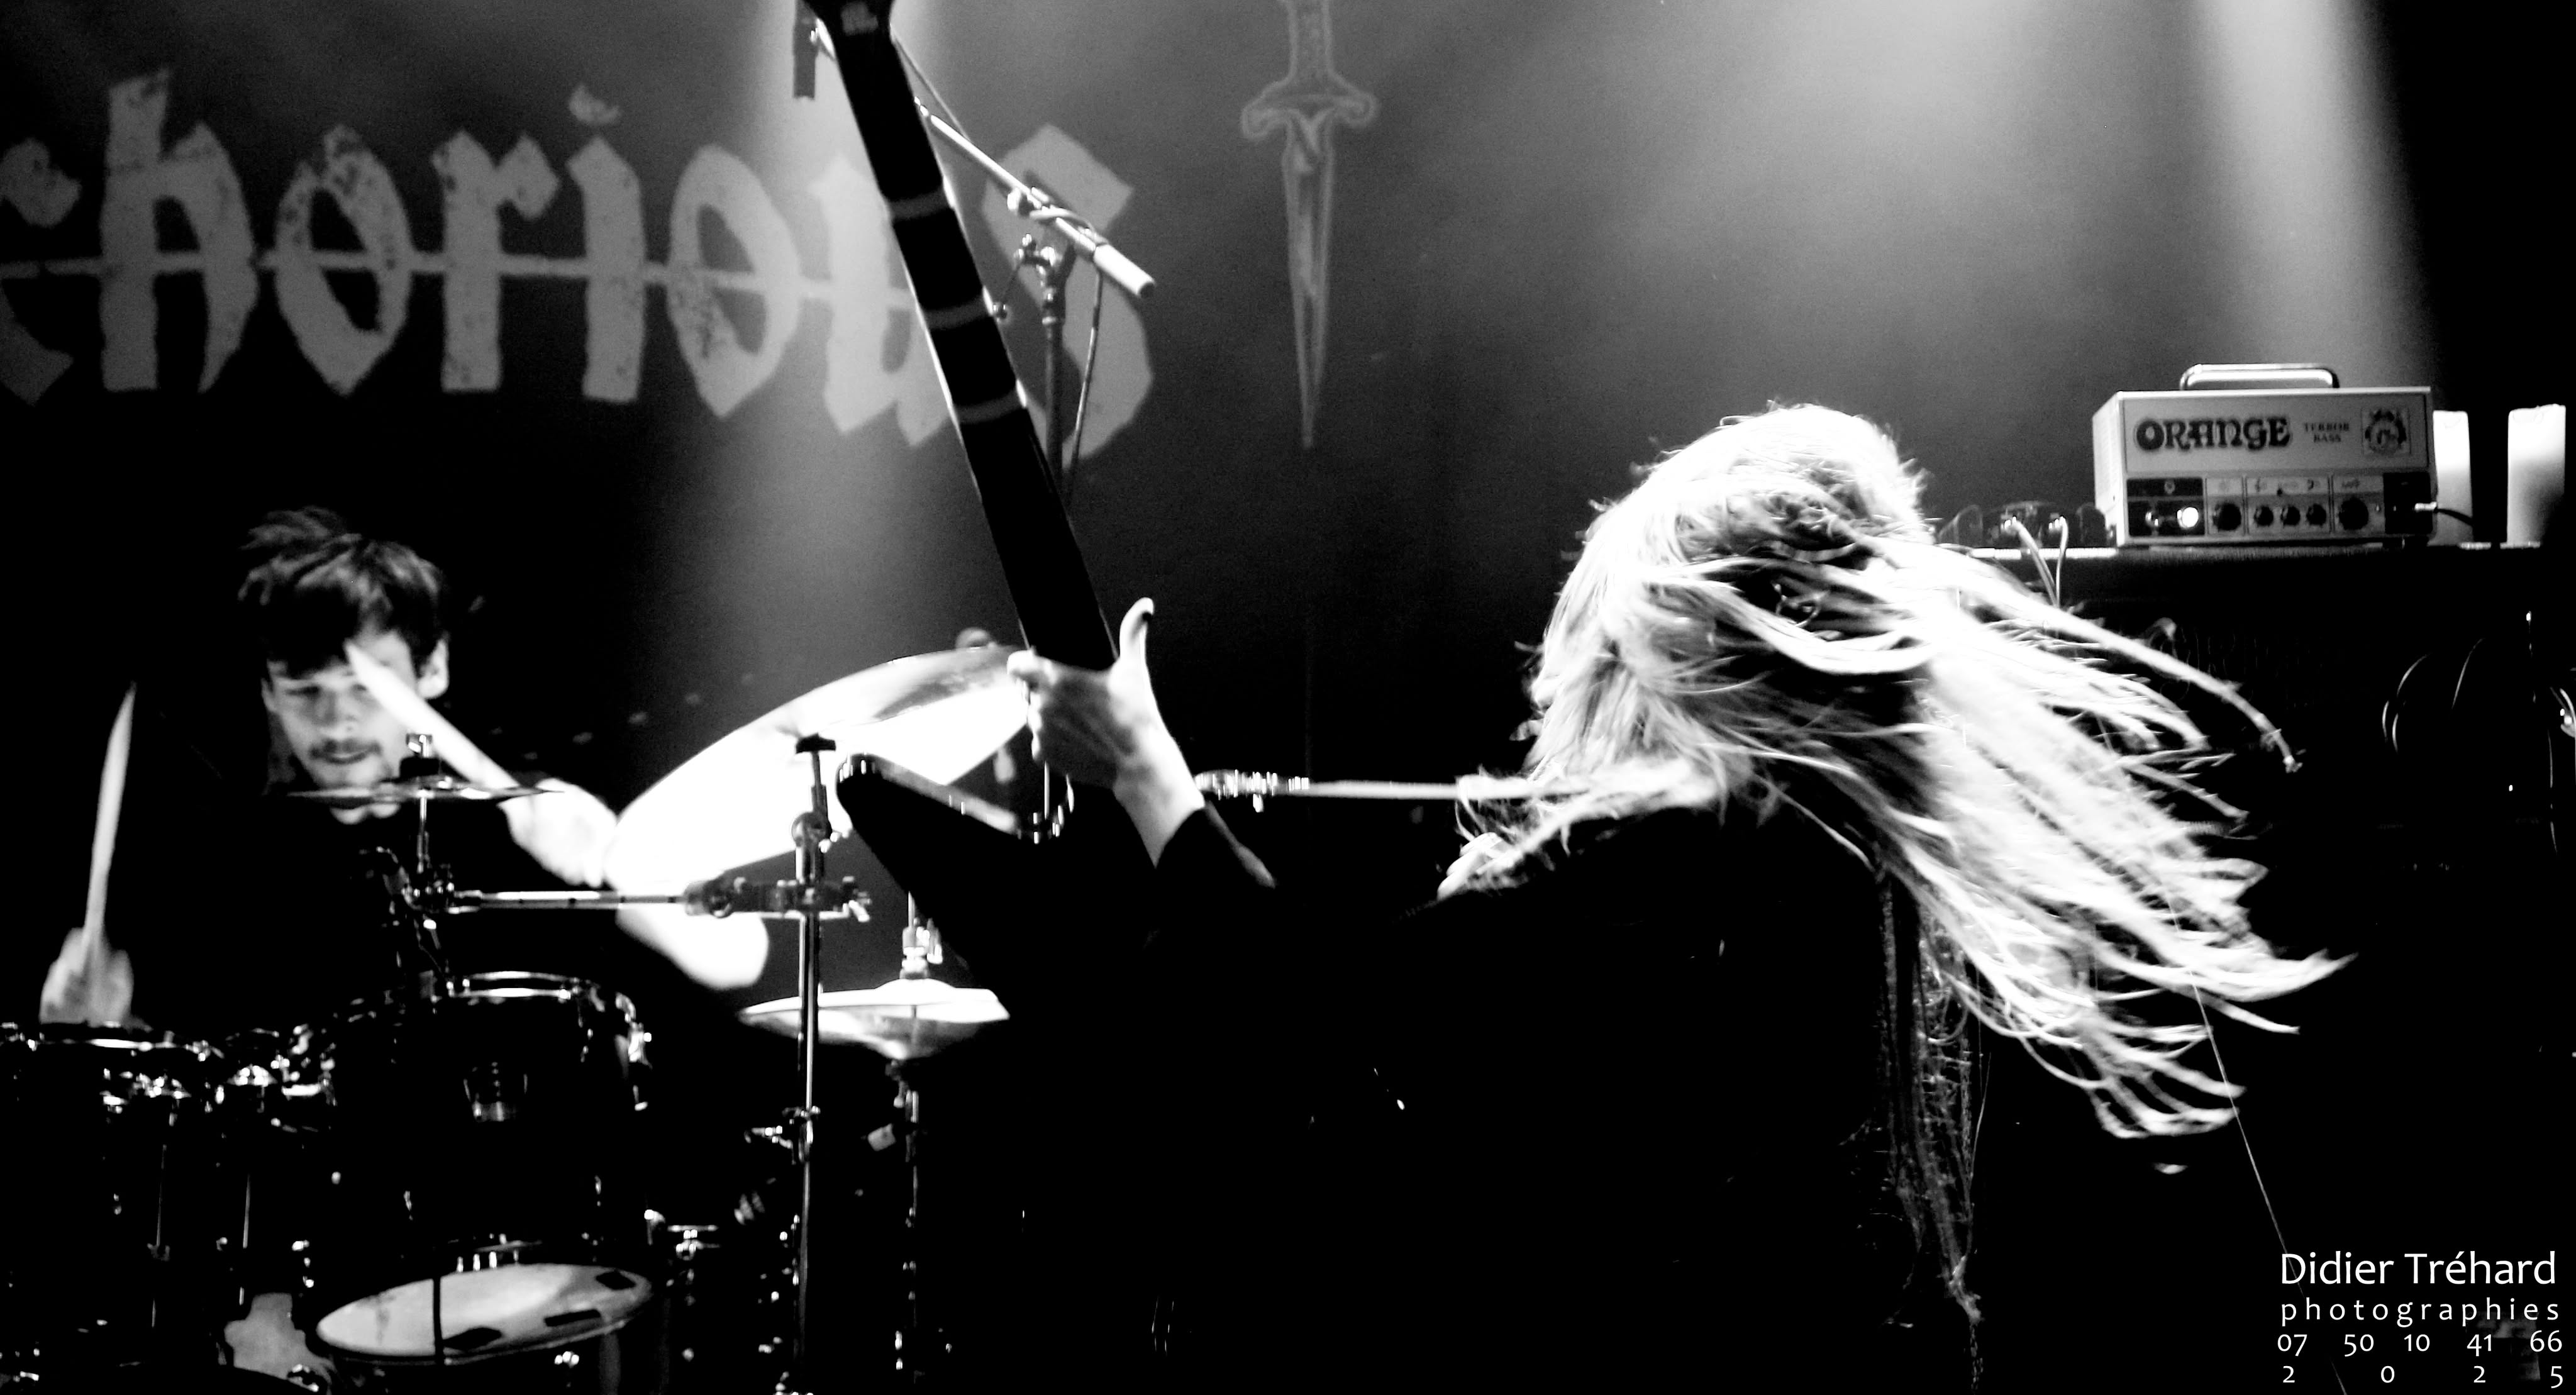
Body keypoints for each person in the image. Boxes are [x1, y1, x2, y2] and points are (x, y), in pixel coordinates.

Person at [1002, 404, 2338, 1387]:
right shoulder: (1829, 851)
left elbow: (1313, 1018)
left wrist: (1145, 771)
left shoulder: (1678, 856)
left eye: (1601, 650)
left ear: (1672, 647)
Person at [30, 509, 766, 1378]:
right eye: (304, 690)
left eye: (364, 687)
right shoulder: (226, 869)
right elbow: (197, 1119)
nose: (337, 723)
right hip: (308, 1308)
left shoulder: (515, 823)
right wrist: (101, 1037)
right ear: (265, 690)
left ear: (432, 670)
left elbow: (739, 958)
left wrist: (612, 860)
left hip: (536, 1291)